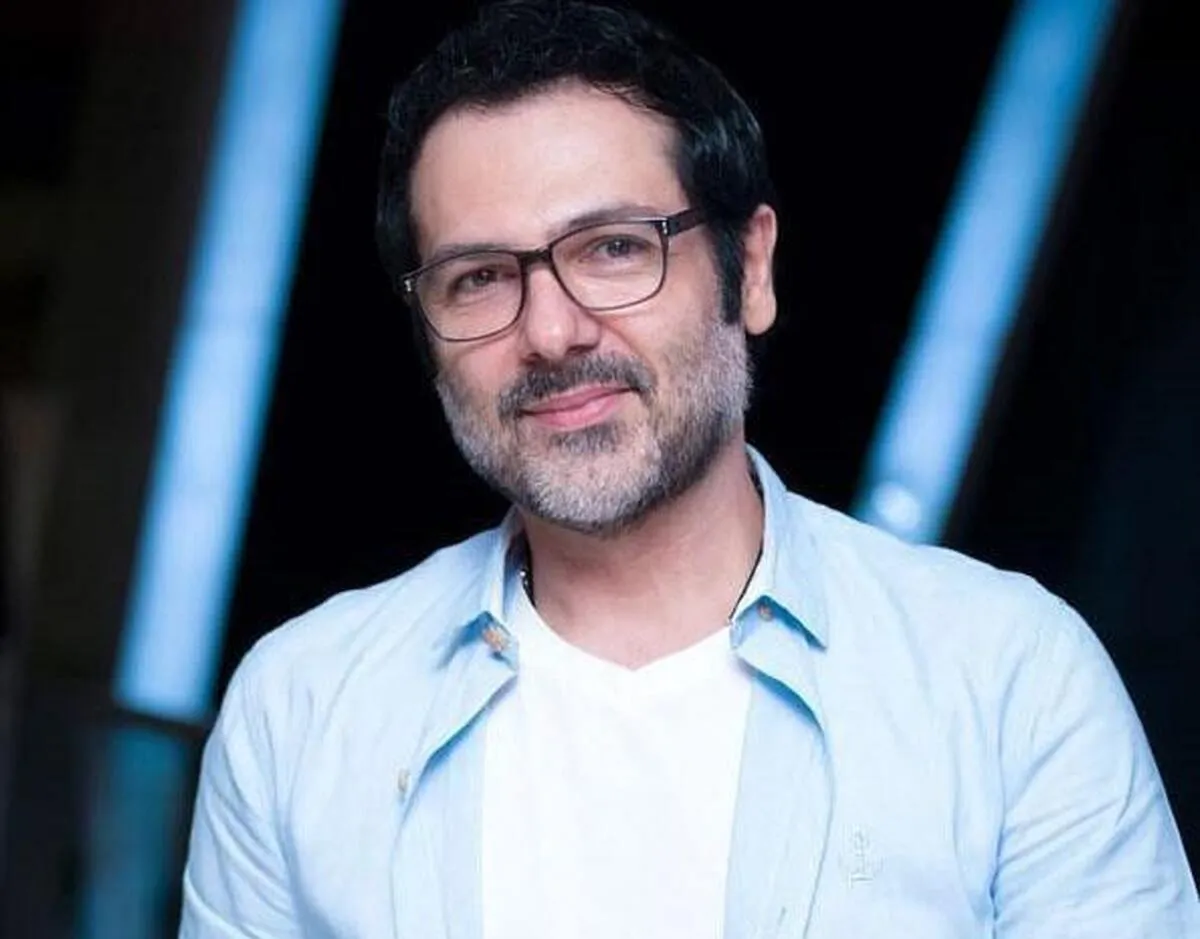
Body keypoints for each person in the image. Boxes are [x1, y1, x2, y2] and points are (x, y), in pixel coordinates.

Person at [179, 1, 1200, 936]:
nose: (551, 331)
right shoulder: (299, 710)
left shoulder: (1007, 678)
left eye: (614, 248)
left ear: (749, 270)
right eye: (479, 277)